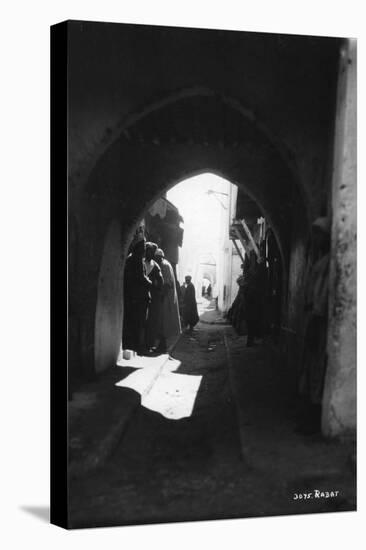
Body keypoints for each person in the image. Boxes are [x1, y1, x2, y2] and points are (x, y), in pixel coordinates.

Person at [297, 217, 331, 434]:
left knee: (317, 368)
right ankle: (308, 417)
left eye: (318, 234)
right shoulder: (318, 260)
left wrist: (316, 314)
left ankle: (314, 421)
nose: (314, 239)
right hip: (313, 317)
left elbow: (324, 294)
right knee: (309, 367)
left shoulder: (328, 263)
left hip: (320, 319)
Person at [122, 237, 152, 354]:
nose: (144, 250)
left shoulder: (132, 258)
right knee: (138, 323)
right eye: (143, 247)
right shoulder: (136, 259)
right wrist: (149, 282)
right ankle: (138, 347)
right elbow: (141, 277)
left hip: (134, 297)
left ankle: (135, 346)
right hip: (137, 298)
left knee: (135, 323)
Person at [154, 248, 181, 353]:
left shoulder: (164, 265)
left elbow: (167, 284)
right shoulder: (165, 264)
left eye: (156, 258)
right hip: (165, 298)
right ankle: (162, 345)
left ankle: (163, 346)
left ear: (160, 257)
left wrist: (160, 295)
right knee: (163, 322)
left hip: (165, 299)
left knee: (163, 322)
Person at [144, 242, 164, 351]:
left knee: (150, 322)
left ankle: (148, 345)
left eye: (153, 252)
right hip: (139, 298)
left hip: (151, 298)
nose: (151, 254)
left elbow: (160, 282)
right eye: (149, 252)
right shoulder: (140, 262)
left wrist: (152, 285)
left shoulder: (155, 266)